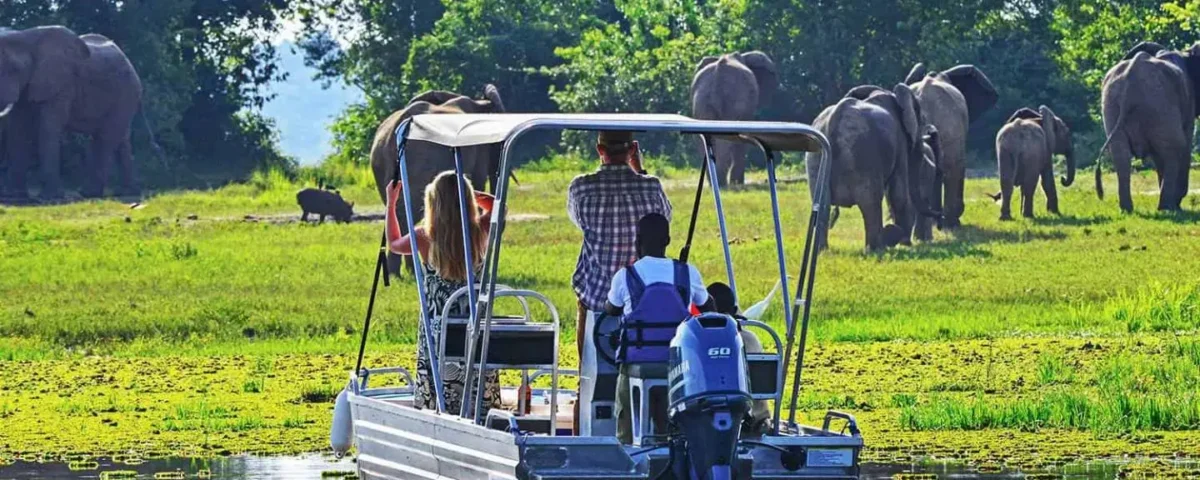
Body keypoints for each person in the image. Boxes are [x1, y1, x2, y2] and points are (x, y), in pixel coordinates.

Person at [568, 130, 672, 434]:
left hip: (596, 301)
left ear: (600, 149)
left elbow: (579, 222)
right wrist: (640, 170)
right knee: (649, 379)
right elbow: (660, 224)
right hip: (643, 306)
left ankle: (583, 441)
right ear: (633, 150)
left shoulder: (581, 187)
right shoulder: (651, 188)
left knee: (588, 380)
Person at [386, 171, 501, 415]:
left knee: (439, 371)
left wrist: (391, 203)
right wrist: (472, 196)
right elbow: (499, 206)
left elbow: (393, 243)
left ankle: (437, 409)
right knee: (474, 365)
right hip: (472, 322)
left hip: (437, 324)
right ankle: (479, 412)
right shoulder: (480, 230)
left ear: (432, 203)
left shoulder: (424, 236)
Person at [606, 213, 714, 444]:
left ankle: (628, 443)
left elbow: (611, 309)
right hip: (678, 363)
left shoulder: (625, 276)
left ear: (637, 241)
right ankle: (669, 442)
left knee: (625, 406)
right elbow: (709, 307)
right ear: (667, 240)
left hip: (637, 363)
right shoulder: (687, 272)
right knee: (672, 416)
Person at [706, 282, 774, 436]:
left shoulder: (702, 343)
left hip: (714, 416)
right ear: (735, 310)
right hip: (756, 418)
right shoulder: (751, 338)